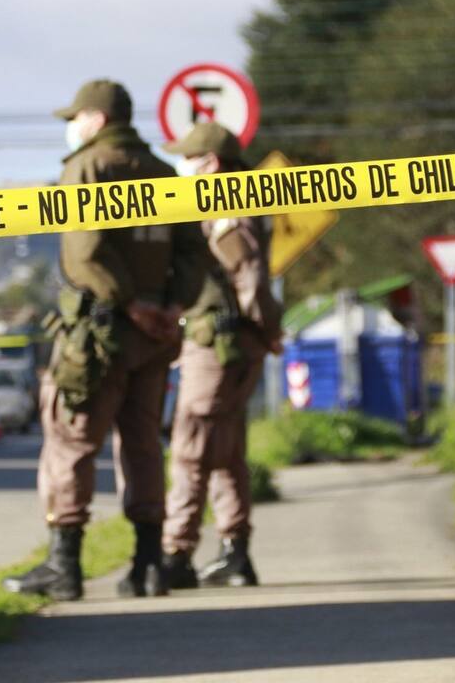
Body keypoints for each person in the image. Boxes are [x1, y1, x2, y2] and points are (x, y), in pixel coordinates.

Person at [3, 79, 211, 601]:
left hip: (99, 336)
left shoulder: (88, 167)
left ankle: (64, 565)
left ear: (96, 120)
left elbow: (85, 251)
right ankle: (148, 566)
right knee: (143, 445)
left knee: (70, 442)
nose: (73, 128)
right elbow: (193, 250)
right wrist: (171, 306)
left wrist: (131, 304)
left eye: (76, 119)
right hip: (155, 337)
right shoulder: (164, 172)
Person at [160, 122, 283, 588]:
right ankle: (235, 552)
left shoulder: (226, 204)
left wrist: (268, 329)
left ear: (211, 163)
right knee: (226, 451)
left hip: (218, 345)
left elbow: (248, 275)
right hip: (231, 344)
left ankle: (176, 554)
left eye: (188, 159)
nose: (182, 166)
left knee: (191, 449)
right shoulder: (231, 200)